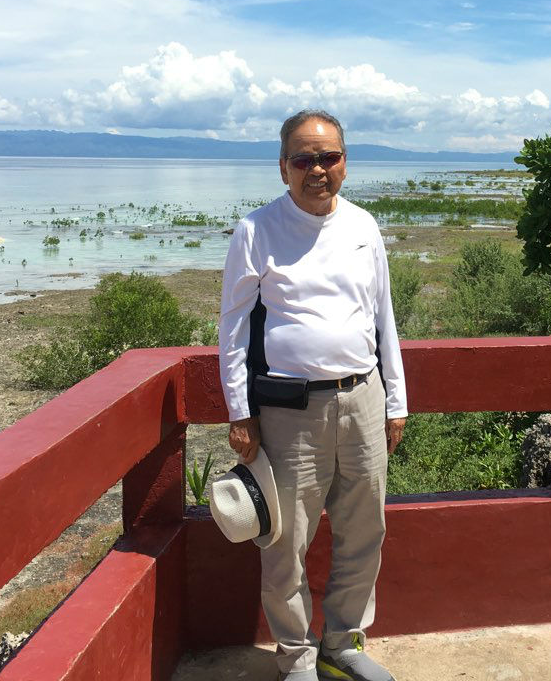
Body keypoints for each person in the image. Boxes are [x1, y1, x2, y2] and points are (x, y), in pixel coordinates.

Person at [219, 109, 408, 681]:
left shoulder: (364, 226)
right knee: (285, 543)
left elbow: (383, 317)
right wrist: (240, 412)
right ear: (283, 168)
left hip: (363, 397)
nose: (317, 169)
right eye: (303, 159)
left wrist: (395, 400)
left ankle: (342, 646)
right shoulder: (256, 230)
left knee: (365, 530)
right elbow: (232, 328)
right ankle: (297, 657)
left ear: (345, 163)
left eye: (328, 157)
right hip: (289, 410)